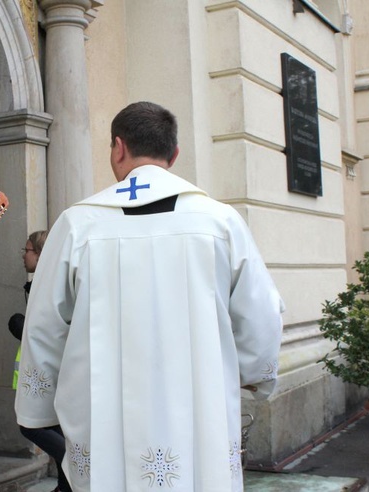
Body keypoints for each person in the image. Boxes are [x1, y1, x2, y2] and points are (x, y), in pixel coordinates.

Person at [14, 102, 284, 492]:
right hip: (198, 412)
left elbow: (44, 324)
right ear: (174, 155)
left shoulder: (77, 225)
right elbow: (261, 316)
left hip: (102, 417)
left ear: (118, 148)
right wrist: (245, 376)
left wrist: (36, 408)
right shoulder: (221, 223)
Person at [8, 231, 71, 492]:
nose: (24, 255)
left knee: (32, 426)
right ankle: (65, 485)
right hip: (43, 368)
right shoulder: (42, 282)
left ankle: (79, 463)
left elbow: (48, 327)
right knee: (54, 427)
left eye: (28, 250)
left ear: (41, 253)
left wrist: (19, 325)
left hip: (49, 369)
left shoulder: (47, 284)